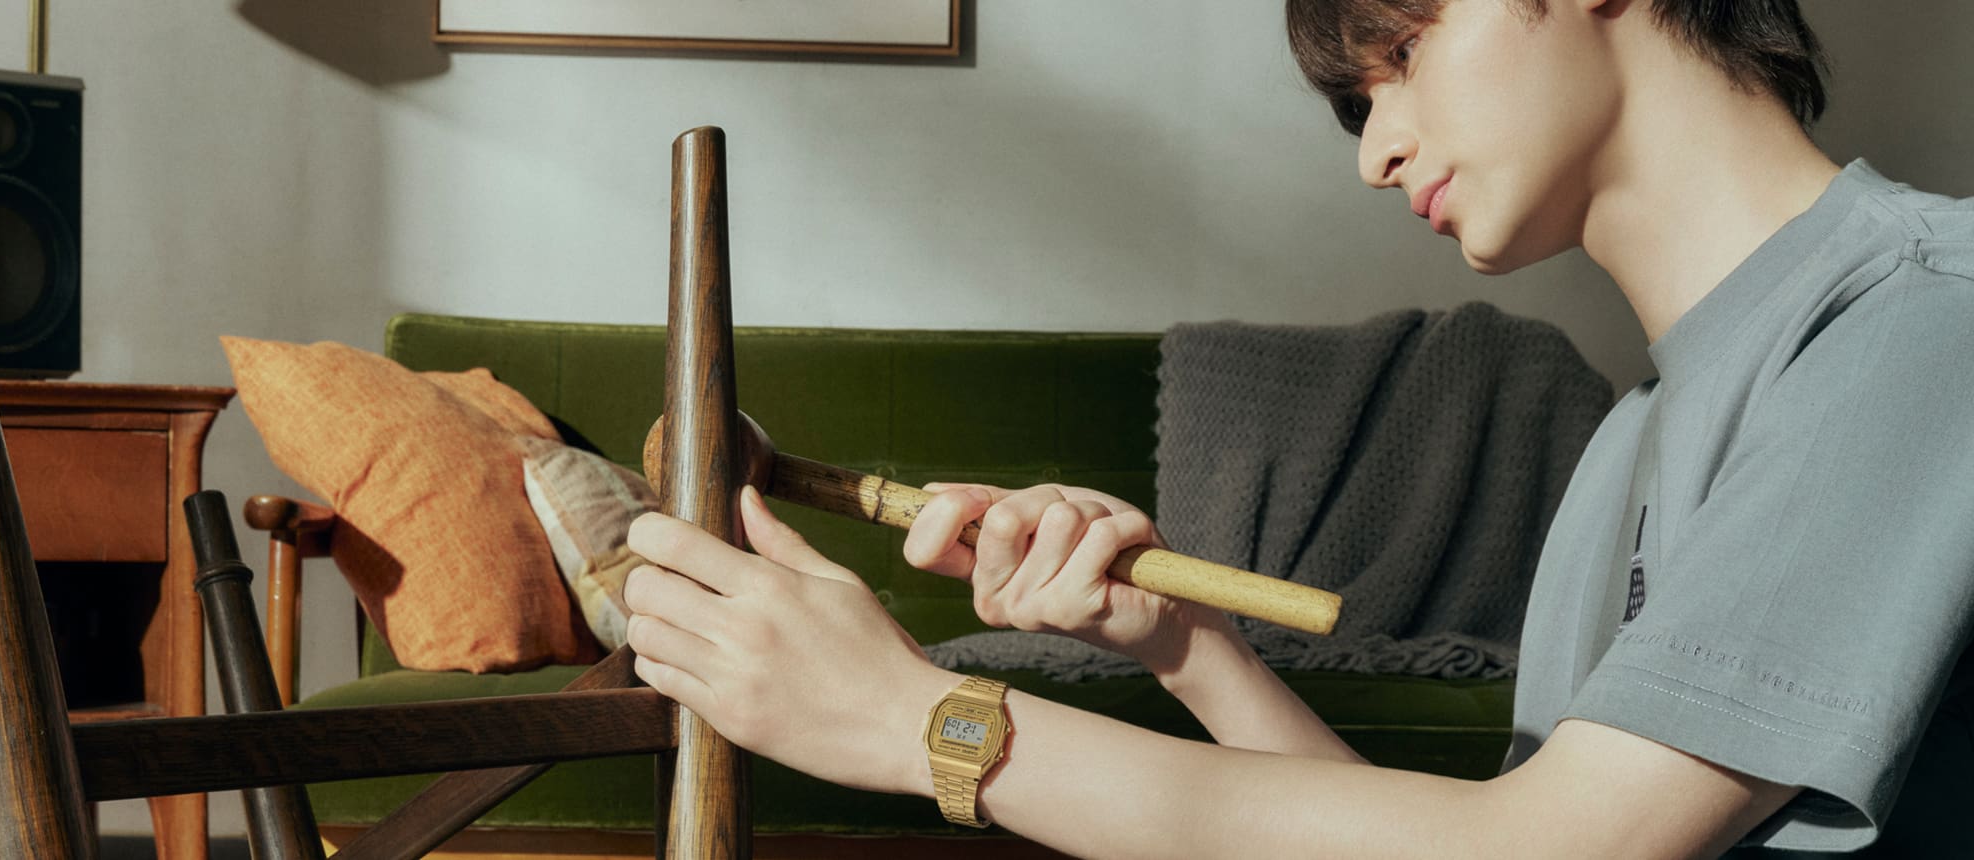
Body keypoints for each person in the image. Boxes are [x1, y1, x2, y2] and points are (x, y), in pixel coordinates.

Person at [622, 0, 1974, 856]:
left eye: (1400, 52)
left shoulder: (1926, 322)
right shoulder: (1635, 433)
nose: (1375, 150)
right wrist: (1183, 643)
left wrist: (918, 722)